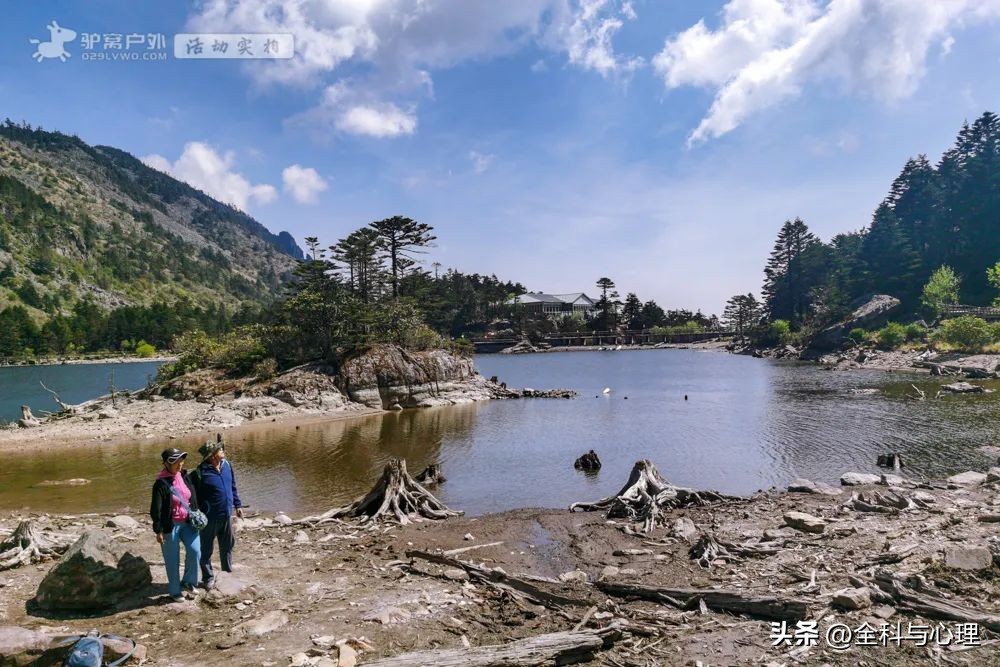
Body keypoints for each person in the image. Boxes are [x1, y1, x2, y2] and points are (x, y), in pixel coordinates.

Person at [150, 448, 202, 602]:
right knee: (173, 560)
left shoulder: (184, 476)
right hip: (170, 526)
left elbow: (192, 497)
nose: (180, 464)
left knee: (195, 551)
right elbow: (155, 509)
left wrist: (196, 512)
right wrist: (158, 530)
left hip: (188, 523)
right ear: (166, 464)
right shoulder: (160, 484)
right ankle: (175, 591)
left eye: (181, 460)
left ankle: (188, 581)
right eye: (176, 462)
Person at [191, 438, 243, 590]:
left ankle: (226, 573)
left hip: (226, 515)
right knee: (206, 550)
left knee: (227, 545)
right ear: (212, 455)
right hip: (209, 519)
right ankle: (208, 577)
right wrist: (197, 513)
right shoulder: (200, 473)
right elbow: (192, 496)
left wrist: (237, 505)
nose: (223, 451)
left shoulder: (227, 465)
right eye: (220, 450)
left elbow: (232, 486)